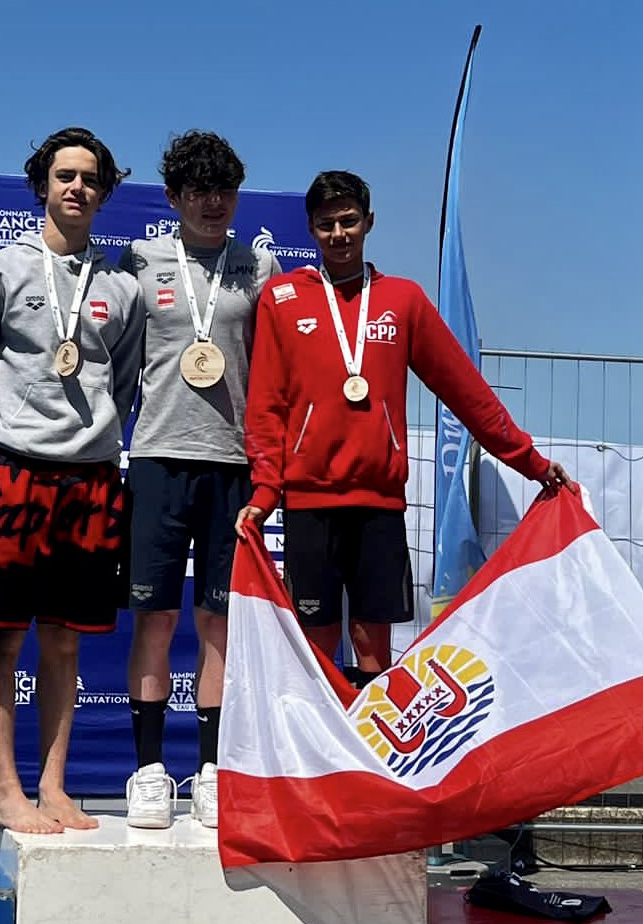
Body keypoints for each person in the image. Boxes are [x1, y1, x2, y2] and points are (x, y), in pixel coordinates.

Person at [238, 170, 567, 685]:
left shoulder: (403, 300)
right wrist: (264, 489)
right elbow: (265, 407)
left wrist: (529, 461)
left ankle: (373, 762)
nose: (339, 234)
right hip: (308, 502)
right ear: (310, 230)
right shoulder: (282, 299)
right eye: (326, 224)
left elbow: (467, 392)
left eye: (349, 221)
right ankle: (326, 764)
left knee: (374, 653)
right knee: (317, 650)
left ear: (369, 222)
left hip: (378, 504)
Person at [0, 126, 144, 835]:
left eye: (90, 178)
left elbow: (121, 383)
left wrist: (92, 442)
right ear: (42, 184)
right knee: (2, 638)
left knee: (65, 642)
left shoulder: (120, 285)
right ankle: (8, 790)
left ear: (103, 190)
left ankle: (55, 786)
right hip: (15, 477)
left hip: (90, 480)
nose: (77, 188)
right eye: (64, 175)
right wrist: (0, 454)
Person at [118, 131, 280, 829]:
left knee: (219, 620)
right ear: (174, 197)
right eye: (196, 191)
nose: (212, 203)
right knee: (154, 616)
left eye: (223, 190)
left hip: (233, 463)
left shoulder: (259, 266)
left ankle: (212, 768)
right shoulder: (141, 260)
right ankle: (150, 770)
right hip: (157, 454)